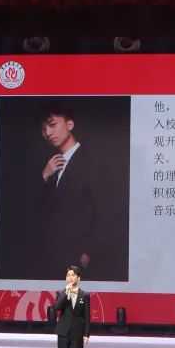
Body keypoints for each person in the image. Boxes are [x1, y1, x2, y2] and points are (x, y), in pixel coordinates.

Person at [36, 105, 126, 280]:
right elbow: (43, 211)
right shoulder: (52, 165)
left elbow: (108, 213)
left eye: (52, 125)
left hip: (79, 259)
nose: (48, 132)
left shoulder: (91, 160)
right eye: (43, 128)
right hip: (53, 257)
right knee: (59, 298)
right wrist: (45, 176)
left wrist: (88, 253)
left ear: (70, 124)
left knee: (76, 298)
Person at [54, 265, 90, 348]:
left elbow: (87, 316)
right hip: (63, 333)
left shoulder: (84, 295)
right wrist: (66, 293)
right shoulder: (61, 293)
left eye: (73, 275)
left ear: (78, 278)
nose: (70, 277)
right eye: (68, 275)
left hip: (77, 333)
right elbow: (57, 307)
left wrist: (86, 334)